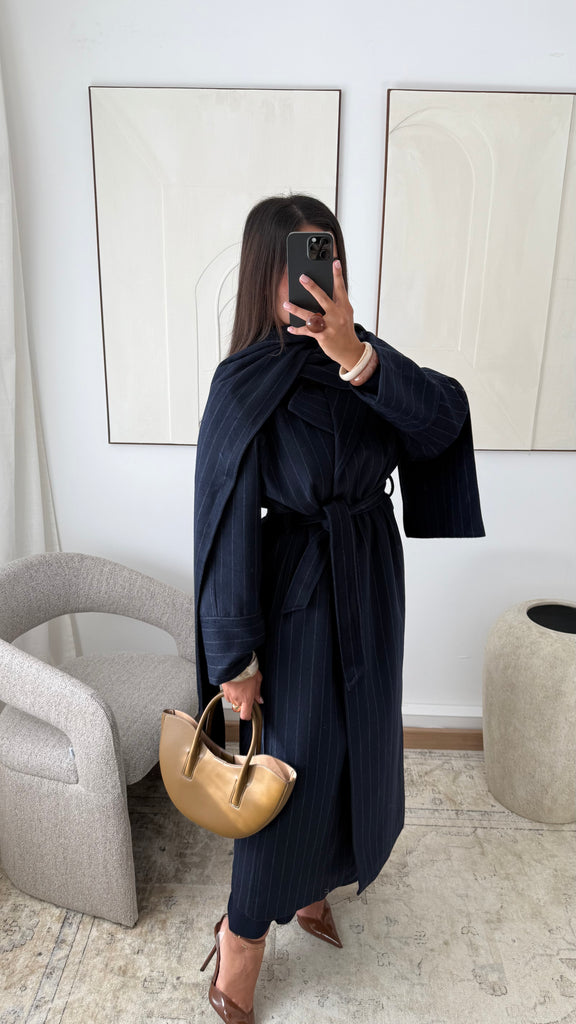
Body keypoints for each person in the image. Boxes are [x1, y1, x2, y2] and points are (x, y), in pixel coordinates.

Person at [193, 194, 485, 1024]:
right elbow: (223, 520)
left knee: (357, 750)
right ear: (268, 273)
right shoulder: (243, 381)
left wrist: (355, 353)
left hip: (371, 582)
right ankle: (242, 933)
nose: (312, 281)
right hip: (295, 594)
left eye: (324, 259)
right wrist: (236, 659)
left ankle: (315, 885)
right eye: (296, 264)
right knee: (290, 766)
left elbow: (442, 423)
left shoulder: (366, 360)